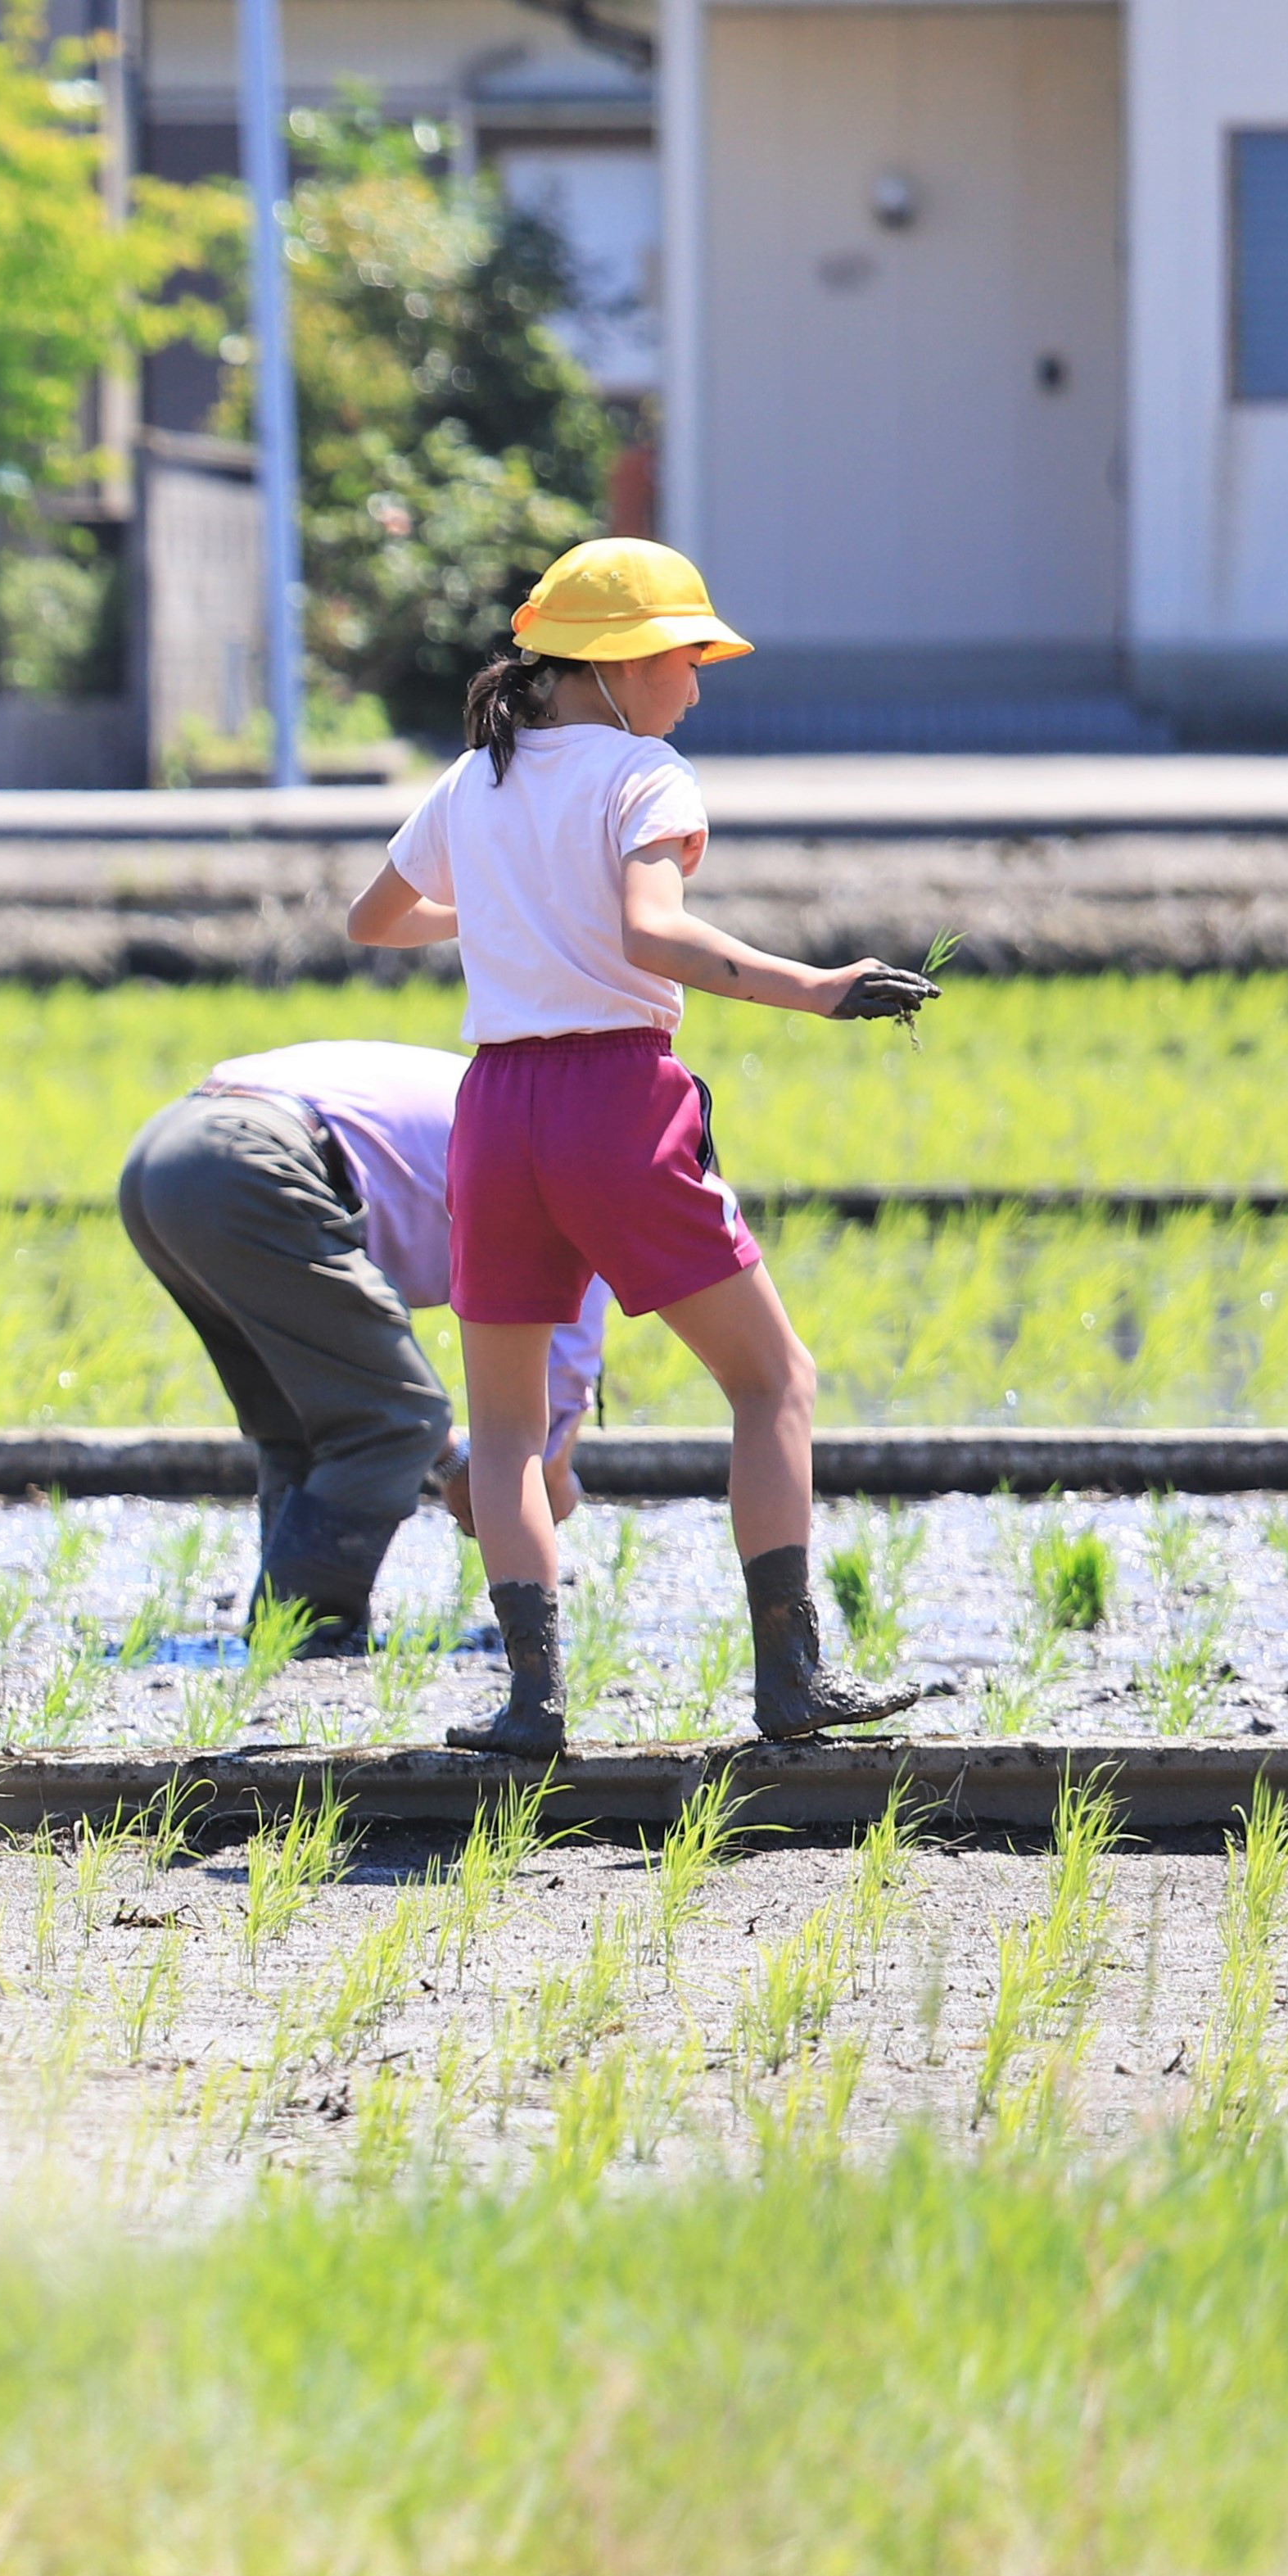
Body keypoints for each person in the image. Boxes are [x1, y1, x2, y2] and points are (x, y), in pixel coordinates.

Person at [341, 538, 935, 1755]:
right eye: (684, 656)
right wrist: (817, 987)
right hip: (614, 1099)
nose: (697, 685)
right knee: (772, 1382)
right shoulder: (644, 772)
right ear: (616, 664)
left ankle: (530, 1703)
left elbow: (373, 920)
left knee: (503, 1431)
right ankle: (789, 1682)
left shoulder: (472, 781)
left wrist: (514, 911)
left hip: (495, 1113)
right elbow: (651, 934)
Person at [113, 1042, 609, 1653]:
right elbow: (545, 1427)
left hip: (170, 1152)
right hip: (255, 1160)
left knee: (305, 1422)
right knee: (397, 1419)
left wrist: (455, 1459)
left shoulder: (520, 1103)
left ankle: (277, 1639)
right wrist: (537, 1489)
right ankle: (307, 1642)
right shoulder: (582, 1183)